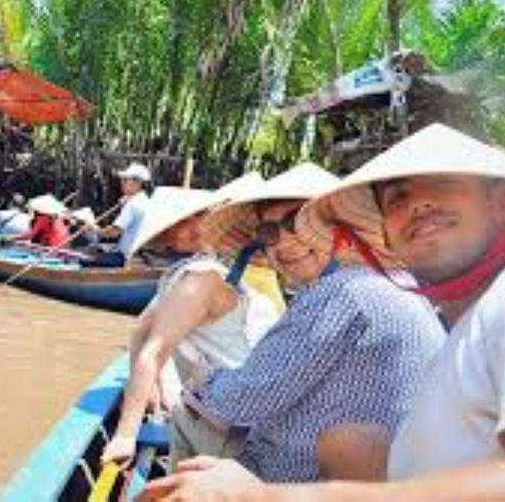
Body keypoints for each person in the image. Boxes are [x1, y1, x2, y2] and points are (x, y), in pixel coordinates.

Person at [143, 123, 505, 500]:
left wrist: (269, 496)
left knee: (192, 440)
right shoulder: (461, 332)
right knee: (350, 440)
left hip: (277, 473)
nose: (418, 203)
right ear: (383, 236)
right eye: (396, 198)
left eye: (441, 183)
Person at [158, 162, 445, 483]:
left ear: (339, 226)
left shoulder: (341, 292)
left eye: (297, 221)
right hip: (372, 473)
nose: (282, 242)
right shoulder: (398, 281)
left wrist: (201, 379)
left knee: (185, 413)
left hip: (298, 480)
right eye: (269, 232)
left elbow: (237, 402)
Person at [100, 181, 284, 465]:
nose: (193, 228)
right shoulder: (199, 277)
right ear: (169, 235)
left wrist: (154, 387)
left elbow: (142, 332)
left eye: (200, 217)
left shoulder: (197, 272)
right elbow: (150, 347)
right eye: (181, 223)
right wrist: (126, 434)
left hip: (238, 417)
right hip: (239, 431)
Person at [92, 163, 152, 267]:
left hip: (126, 257)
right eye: (122, 180)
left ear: (138, 183)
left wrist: (93, 228)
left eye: (125, 180)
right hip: (135, 254)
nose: (122, 183)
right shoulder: (145, 201)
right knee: (95, 251)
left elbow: (113, 233)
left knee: (84, 260)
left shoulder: (133, 205)